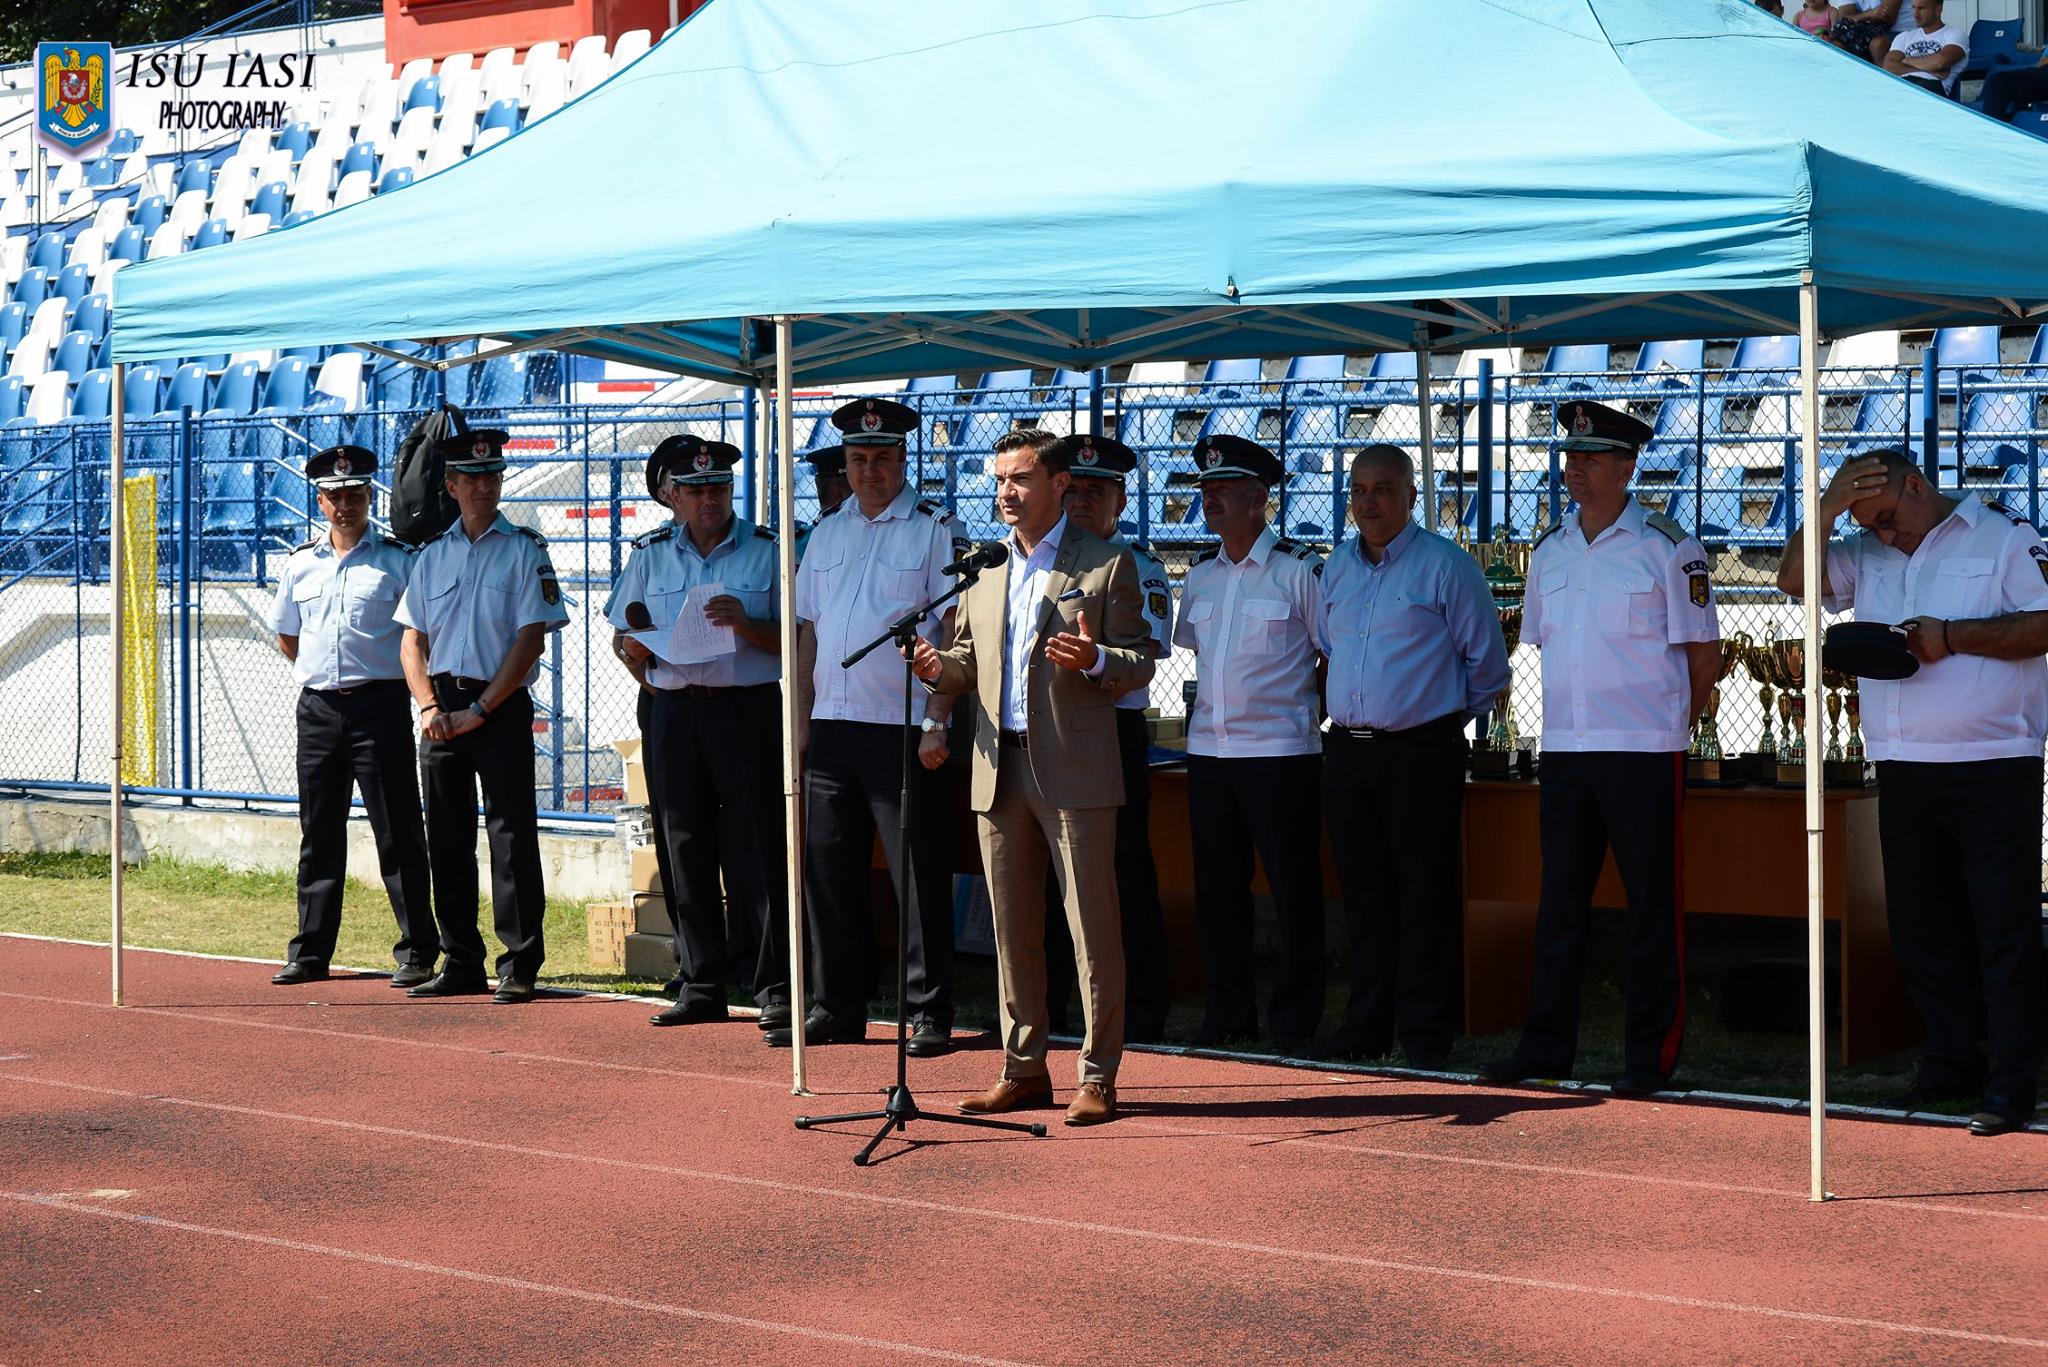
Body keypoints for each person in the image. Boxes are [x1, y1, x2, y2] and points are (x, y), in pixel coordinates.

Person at [1777, 449, 2047, 1137]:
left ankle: (2012, 1080)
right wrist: (1827, 510)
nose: (1885, 534)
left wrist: (1952, 637)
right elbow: (1793, 581)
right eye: (1871, 524)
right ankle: (1950, 1061)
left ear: (1918, 485)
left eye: (1889, 518)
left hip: (1994, 764)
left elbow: (2046, 622)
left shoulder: (2003, 535)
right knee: (1921, 929)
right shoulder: (1866, 549)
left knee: (2003, 930)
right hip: (1903, 767)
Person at [909, 428, 1154, 1125]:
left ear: (1059, 485)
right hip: (998, 766)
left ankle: (1098, 1076)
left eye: (1019, 478)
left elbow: (1140, 661)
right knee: (1013, 931)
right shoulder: (984, 567)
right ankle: (1022, 1069)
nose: (1006, 493)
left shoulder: (1106, 562)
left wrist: (1095, 660)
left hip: (1075, 768)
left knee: (1092, 928)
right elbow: (964, 661)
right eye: (998, 481)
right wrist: (935, 669)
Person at [1480, 401, 1721, 1094]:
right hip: (1567, 749)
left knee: (1652, 908)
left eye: (1591, 458)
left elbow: (1704, 658)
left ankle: (1649, 1056)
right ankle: (1545, 1047)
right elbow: (1544, 645)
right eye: (1571, 457)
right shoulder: (1550, 550)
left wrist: (1670, 728)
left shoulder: (1669, 547)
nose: (1575, 469)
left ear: (1627, 467)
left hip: (1643, 751)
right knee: (1558, 906)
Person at [777, 397, 964, 1052]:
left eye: (881, 458)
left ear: (903, 459)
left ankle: (928, 1010)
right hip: (833, 723)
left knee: (917, 872)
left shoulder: (935, 527)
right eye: (858, 459)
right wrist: (800, 722)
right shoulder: (827, 532)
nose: (869, 471)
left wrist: (938, 717)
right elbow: (809, 632)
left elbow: (955, 630)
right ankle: (836, 1004)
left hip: (902, 723)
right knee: (828, 870)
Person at [1315, 445, 1509, 1069]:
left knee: (1424, 894)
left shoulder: (1447, 566)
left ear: (1411, 495)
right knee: (1363, 895)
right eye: (1359, 490)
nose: (1368, 502)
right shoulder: (1335, 568)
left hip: (1420, 754)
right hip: (1348, 753)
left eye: (1383, 489)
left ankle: (1425, 1033)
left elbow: (1488, 665)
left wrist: (1435, 721)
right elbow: (1330, 648)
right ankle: (1367, 1026)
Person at [606, 434, 790, 1031]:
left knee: (757, 845)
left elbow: (800, 637)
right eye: (696, 489)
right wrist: (638, 661)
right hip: (675, 710)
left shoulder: (768, 549)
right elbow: (622, 634)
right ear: (674, 496)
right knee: (682, 845)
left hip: (747, 708)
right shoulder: (651, 553)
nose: (709, 498)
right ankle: (701, 980)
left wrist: (749, 625)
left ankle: (773, 984)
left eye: (718, 487)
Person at [395, 429, 570, 1003]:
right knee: (445, 839)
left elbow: (530, 641)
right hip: (441, 710)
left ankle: (519, 962)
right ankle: (461, 960)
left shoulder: (525, 549)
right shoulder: (431, 555)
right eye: (471, 479)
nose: (483, 487)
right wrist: (429, 705)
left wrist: (481, 708)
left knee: (511, 837)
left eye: (492, 477)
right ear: (451, 486)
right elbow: (412, 641)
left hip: (499, 704)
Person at [1172, 433, 1326, 1054]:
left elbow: (1333, 653)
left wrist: (1303, 713)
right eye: (1206, 489)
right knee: (1217, 894)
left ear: (1259, 498)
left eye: (1224, 489)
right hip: (1211, 756)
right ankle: (1228, 1015)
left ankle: (1294, 1020)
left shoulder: (1298, 570)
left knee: (1294, 892)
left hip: (1280, 756)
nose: (1210, 499)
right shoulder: (1200, 576)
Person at [266, 444, 437, 988]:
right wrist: (324, 673)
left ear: (369, 498)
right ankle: (310, 951)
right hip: (318, 709)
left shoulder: (398, 560)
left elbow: (419, 635)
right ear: (320, 501)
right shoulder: (300, 563)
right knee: (318, 833)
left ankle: (417, 950)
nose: (346, 506)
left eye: (355, 495)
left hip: (378, 706)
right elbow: (289, 636)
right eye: (335, 496)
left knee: (398, 832)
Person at [1038, 433, 1174, 1044]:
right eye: (1075, 490)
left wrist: (1093, 660)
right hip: (1049, 726)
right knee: (1049, 873)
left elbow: (1144, 655)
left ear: (1121, 500)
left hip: (1112, 730)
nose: (1083, 502)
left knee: (1123, 870)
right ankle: (1051, 1007)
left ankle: (1141, 1010)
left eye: (1099, 491)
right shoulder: (1041, 561)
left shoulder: (1137, 565)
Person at [1882, 0, 1969, 96]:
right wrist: (1927, 69)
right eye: (1913, 8)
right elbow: (1888, 66)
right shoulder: (1904, 36)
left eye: (1921, 8)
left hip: (1932, 87)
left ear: (1938, 10)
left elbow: (1940, 62)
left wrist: (1906, 60)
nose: (1915, 15)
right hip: (1904, 83)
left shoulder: (1955, 34)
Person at [1831, 0, 1903, 61]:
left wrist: (1859, 17)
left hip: (1897, 31)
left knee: (1877, 44)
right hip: (1866, 28)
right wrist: (1870, 14)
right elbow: (1844, 19)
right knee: (1836, 45)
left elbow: (1887, 17)